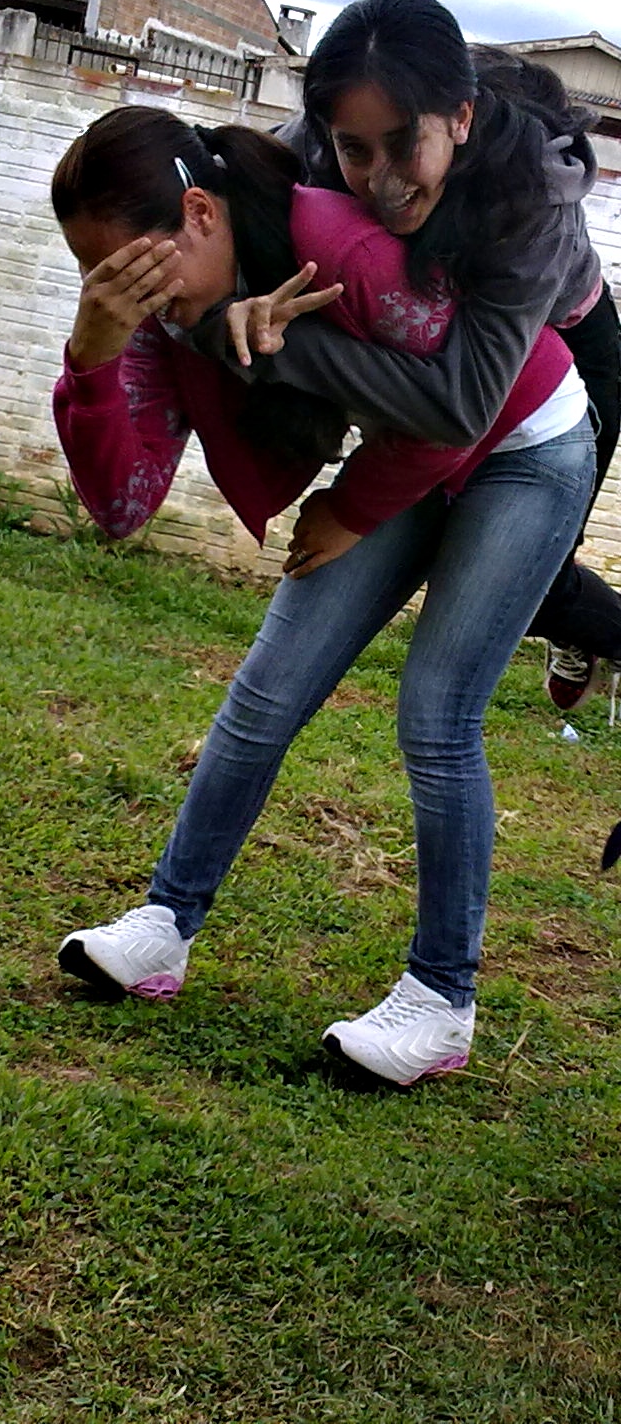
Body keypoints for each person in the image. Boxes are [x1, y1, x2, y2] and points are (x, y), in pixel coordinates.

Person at [50, 103, 594, 1086]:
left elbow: (458, 402)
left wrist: (350, 508)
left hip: (520, 442)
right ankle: (164, 922)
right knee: (265, 694)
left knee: (437, 714)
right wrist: (90, 360)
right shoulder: (165, 319)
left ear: (200, 215)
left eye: (127, 266)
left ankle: (441, 1001)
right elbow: (122, 504)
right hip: (405, 452)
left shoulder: (333, 241)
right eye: (98, 276)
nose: (121, 292)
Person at [253, 0, 621, 713]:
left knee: (538, 587)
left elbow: (459, 404)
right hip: (455, 359)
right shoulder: (315, 142)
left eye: (402, 145)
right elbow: (222, 176)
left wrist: (276, 348)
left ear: (461, 118)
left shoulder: (531, 189)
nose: (382, 181)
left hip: (572, 349)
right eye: (356, 150)